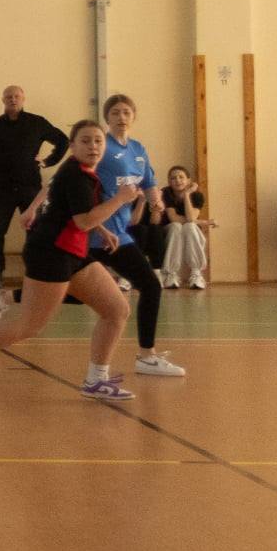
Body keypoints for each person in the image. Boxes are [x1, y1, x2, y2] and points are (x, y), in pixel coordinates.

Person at [0, 119, 144, 401]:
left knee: (116, 310)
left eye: (98, 141)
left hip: (73, 251)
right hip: (51, 253)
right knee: (29, 325)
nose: (93, 146)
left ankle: (97, 379)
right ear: (73, 146)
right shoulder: (76, 175)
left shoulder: (81, 172)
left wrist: (103, 230)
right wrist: (120, 199)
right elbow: (82, 220)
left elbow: (72, 210)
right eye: (85, 141)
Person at [85, 94, 180, 377]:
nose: (121, 117)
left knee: (149, 286)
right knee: (68, 289)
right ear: (107, 117)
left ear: (133, 116)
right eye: (115, 112)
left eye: (126, 112)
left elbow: (149, 182)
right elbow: (82, 185)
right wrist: (97, 224)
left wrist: (156, 202)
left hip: (120, 233)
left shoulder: (138, 149)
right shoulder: (101, 147)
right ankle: (146, 356)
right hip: (96, 231)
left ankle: (147, 355)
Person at [0, 86, 69, 319]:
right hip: (3, 189)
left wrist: (48, 161)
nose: (13, 99)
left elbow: (63, 141)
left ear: (23, 99)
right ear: (2, 100)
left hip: (30, 188)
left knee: (35, 232)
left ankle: (34, 273)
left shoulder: (37, 122)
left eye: (16, 96)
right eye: (9, 97)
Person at [159, 167, 211, 291]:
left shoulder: (197, 196)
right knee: (176, 226)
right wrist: (202, 222)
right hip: (169, 231)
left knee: (190, 226)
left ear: (188, 180)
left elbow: (191, 218)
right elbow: (173, 218)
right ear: (169, 181)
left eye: (181, 177)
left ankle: (196, 273)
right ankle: (170, 273)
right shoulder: (165, 193)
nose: (177, 180)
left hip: (192, 231)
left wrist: (187, 195)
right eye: (173, 178)